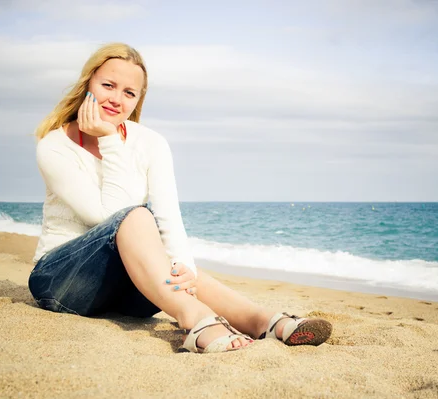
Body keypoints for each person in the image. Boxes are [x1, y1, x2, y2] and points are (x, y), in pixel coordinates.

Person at [28, 42, 332, 353]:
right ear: (88, 83)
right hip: (62, 282)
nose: (116, 99)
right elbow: (106, 216)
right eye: (108, 85)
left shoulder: (151, 143)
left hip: (124, 290)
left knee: (173, 263)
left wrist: (184, 266)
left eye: (129, 93)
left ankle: (262, 321)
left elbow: (167, 215)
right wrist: (108, 138)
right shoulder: (54, 146)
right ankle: (195, 318)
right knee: (136, 217)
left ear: (138, 99)